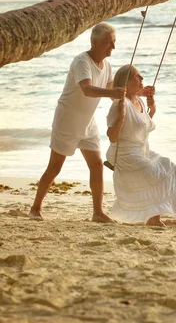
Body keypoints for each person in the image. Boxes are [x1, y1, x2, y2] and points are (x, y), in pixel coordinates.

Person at [29, 22, 126, 223]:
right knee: (55, 167)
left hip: (87, 123)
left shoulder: (106, 66)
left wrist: (137, 94)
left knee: (97, 165)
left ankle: (97, 213)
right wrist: (112, 92)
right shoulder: (82, 61)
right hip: (67, 120)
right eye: (109, 43)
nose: (113, 47)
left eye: (114, 43)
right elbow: (87, 89)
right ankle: (35, 208)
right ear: (95, 42)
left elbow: (113, 95)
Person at [106, 64, 176, 228]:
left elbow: (141, 127)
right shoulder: (119, 104)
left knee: (171, 169)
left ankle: (154, 218)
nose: (142, 78)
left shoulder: (138, 101)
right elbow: (112, 137)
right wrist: (121, 115)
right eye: (138, 76)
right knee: (157, 176)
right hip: (125, 155)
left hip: (141, 151)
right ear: (127, 82)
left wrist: (152, 109)